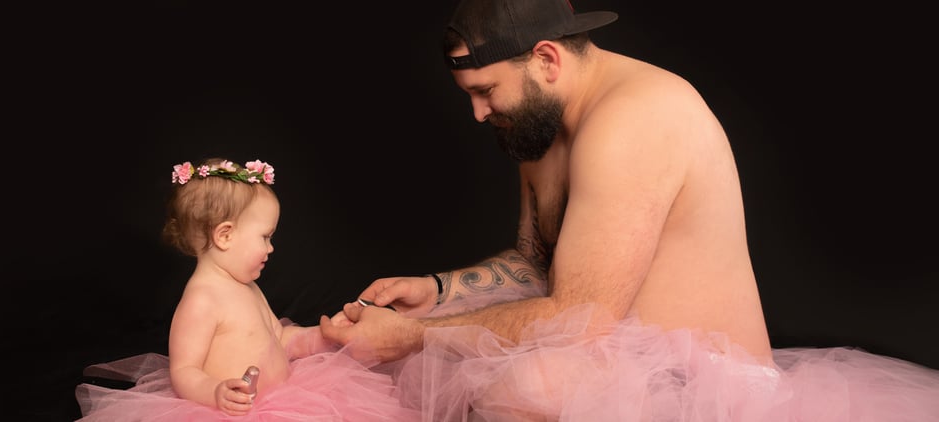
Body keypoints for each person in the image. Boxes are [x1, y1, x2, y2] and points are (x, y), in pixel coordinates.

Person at [320, 0, 939, 420]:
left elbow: (581, 316)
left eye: (486, 91)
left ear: (546, 59)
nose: (479, 113)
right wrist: (438, 290)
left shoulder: (635, 120)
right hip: (608, 359)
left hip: (701, 390)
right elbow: (540, 262)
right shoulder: (536, 123)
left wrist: (411, 337)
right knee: (452, 359)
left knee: (514, 384)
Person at [75, 158, 418, 421]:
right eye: (265, 237)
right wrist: (215, 392)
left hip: (289, 397)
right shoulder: (202, 299)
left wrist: (327, 335)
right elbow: (183, 370)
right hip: (232, 412)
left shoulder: (247, 286)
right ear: (224, 235)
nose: (271, 248)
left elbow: (281, 339)